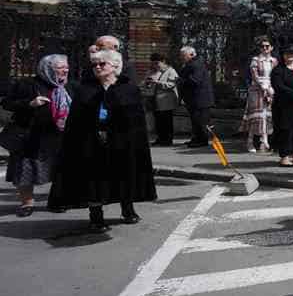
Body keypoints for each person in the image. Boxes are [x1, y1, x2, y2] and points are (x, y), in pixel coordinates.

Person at [48, 49, 156, 232]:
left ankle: (127, 210)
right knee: (94, 181)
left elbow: (136, 121)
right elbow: (76, 121)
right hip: (92, 144)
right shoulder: (86, 89)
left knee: (124, 176)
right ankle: (96, 217)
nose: (97, 67)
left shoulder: (128, 88)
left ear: (114, 65)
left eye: (102, 64)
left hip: (122, 144)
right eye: (94, 64)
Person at [4, 54, 77, 216]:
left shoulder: (70, 86)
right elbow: (7, 103)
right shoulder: (28, 84)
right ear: (47, 68)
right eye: (60, 67)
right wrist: (30, 103)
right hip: (31, 136)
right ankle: (26, 203)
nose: (65, 70)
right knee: (25, 170)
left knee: (60, 170)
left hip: (60, 136)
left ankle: (58, 200)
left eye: (66, 67)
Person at [269, 45, 293, 168]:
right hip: (284, 106)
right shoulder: (278, 70)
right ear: (283, 55)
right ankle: (285, 156)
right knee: (286, 130)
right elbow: (279, 87)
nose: (290, 56)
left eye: (292, 54)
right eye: (287, 54)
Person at [177, 46, 214, 147]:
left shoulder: (196, 64)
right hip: (194, 99)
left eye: (183, 55)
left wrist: (181, 81)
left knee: (200, 121)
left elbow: (195, 80)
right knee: (195, 120)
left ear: (191, 54)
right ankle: (196, 138)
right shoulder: (192, 64)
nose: (181, 57)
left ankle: (201, 141)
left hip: (200, 99)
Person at [242, 37, 275, 153]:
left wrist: (270, 89)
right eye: (262, 46)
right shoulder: (255, 60)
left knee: (267, 116)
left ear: (271, 48)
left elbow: (275, 76)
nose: (265, 48)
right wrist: (263, 87)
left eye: (267, 46)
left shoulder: (274, 61)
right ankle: (250, 141)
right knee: (256, 116)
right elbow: (254, 76)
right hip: (257, 90)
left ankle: (264, 141)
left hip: (270, 90)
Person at [142, 53, 179, 147]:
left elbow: (171, 85)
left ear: (163, 61)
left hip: (166, 101)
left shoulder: (171, 71)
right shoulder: (152, 71)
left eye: (157, 63)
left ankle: (167, 140)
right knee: (158, 121)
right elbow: (146, 83)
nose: (155, 65)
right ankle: (160, 138)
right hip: (155, 101)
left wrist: (157, 82)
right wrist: (147, 82)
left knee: (166, 121)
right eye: (153, 63)